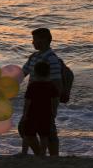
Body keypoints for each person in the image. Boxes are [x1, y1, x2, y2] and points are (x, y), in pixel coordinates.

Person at [19, 28, 63, 156]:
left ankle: (54, 157)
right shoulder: (34, 56)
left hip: (45, 103)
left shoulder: (52, 59)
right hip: (32, 99)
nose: (32, 42)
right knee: (25, 130)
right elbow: (22, 74)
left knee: (48, 131)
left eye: (35, 40)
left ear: (43, 40)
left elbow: (57, 84)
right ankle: (40, 155)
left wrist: (54, 106)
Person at [21, 61, 60, 156]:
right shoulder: (51, 86)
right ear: (49, 73)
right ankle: (43, 153)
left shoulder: (32, 86)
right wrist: (54, 111)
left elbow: (27, 102)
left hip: (32, 114)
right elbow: (55, 100)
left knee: (27, 134)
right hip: (46, 114)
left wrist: (24, 114)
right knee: (44, 135)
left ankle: (24, 153)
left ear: (35, 73)